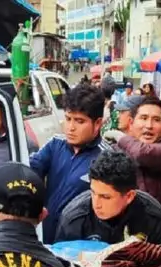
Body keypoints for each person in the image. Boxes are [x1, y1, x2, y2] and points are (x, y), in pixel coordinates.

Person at [30, 83, 111, 244]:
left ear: (97, 124)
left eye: (79, 121)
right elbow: (30, 170)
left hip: (79, 244)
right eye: (68, 119)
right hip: (45, 237)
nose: (71, 128)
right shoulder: (55, 144)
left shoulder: (107, 158)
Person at [54, 150, 161, 244]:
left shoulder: (154, 218)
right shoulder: (74, 218)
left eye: (105, 197)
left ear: (129, 196)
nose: (96, 204)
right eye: (93, 192)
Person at [103, 95, 161, 215]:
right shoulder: (117, 149)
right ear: (131, 122)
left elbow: (142, 153)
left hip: (156, 223)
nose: (149, 125)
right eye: (143, 118)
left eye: (156, 120)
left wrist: (119, 136)